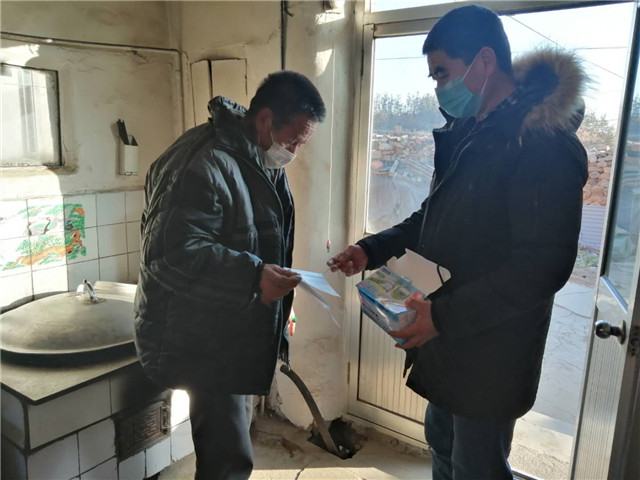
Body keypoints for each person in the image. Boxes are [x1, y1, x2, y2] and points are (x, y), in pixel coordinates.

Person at [329, 5, 587, 479]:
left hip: (491, 350)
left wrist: (444, 317)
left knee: (476, 467)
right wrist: (372, 249)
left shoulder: (542, 145)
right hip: (446, 339)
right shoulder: (470, 134)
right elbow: (431, 218)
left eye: (442, 73)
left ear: (484, 61)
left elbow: (543, 265)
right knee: (443, 450)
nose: (437, 87)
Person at [134, 71, 325, 480]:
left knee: (231, 444)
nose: (293, 152)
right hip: (200, 334)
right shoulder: (201, 162)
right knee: (228, 458)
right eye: (292, 141)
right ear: (265, 120)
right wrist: (255, 277)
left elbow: (263, 237)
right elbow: (169, 254)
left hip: (231, 321)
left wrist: (273, 296)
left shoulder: (257, 156)